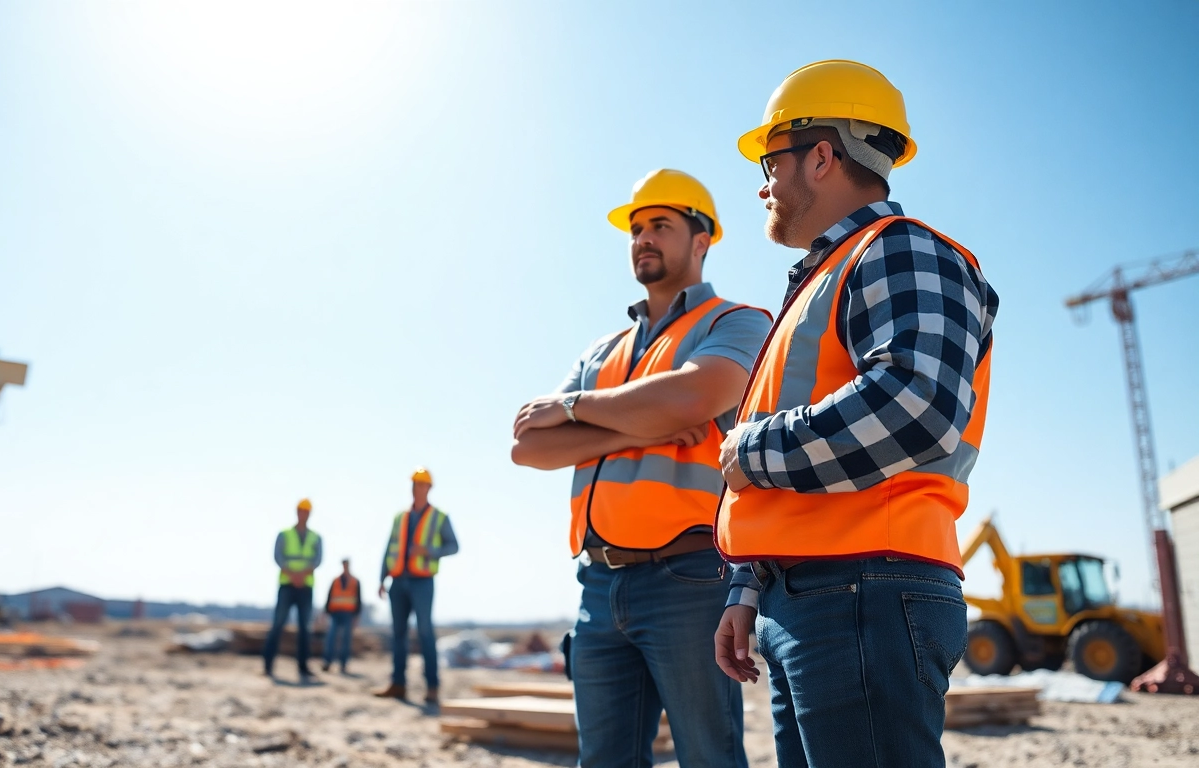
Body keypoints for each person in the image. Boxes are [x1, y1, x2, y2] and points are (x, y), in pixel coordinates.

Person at [713, 60, 999, 768]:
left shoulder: (900, 250)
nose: (762, 182)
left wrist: (748, 451)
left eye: (771, 160)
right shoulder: (822, 281)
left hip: (865, 588)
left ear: (821, 157)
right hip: (813, 595)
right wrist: (750, 583)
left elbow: (916, 405)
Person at [512, 169, 771, 767]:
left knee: (710, 757)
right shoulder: (602, 351)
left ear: (702, 239)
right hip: (598, 584)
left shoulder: (733, 323)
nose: (643, 239)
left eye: (661, 225)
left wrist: (574, 409)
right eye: (636, 229)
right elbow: (528, 446)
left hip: (690, 576)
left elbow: (688, 400)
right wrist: (633, 426)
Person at [373, 467, 459, 705]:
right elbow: (389, 547)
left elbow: (454, 546)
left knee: (425, 632)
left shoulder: (439, 517)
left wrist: (429, 551)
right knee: (398, 634)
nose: (416, 488)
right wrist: (382, 579)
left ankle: (432, 687)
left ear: (429, 488)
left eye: (420, 484)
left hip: (422, 582)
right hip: (398, 582)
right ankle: (398, 684)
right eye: (413, 484)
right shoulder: (400, 517)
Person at [263, 498, 323, 682]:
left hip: (305, 586)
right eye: (301, 510)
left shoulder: (315, 537)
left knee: (305, 628)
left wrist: (302, 575)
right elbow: (278, 557)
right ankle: (268, 664)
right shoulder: (284, 534)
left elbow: (318, 559)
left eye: (306, 511)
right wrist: (293, 574)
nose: (303, 514)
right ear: (297, 512)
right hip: (287, 585)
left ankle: (303, 667)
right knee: (278, 624)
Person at [322, 558, 362, 674]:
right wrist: (326, 612)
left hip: (348, 614)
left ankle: (343, 664)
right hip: (335, 613)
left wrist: (356, 616)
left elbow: (358, 599)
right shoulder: (335, 581)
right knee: (331, 637)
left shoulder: (355, 581)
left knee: (346, 639)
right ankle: (327, 662)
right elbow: (329, 596)